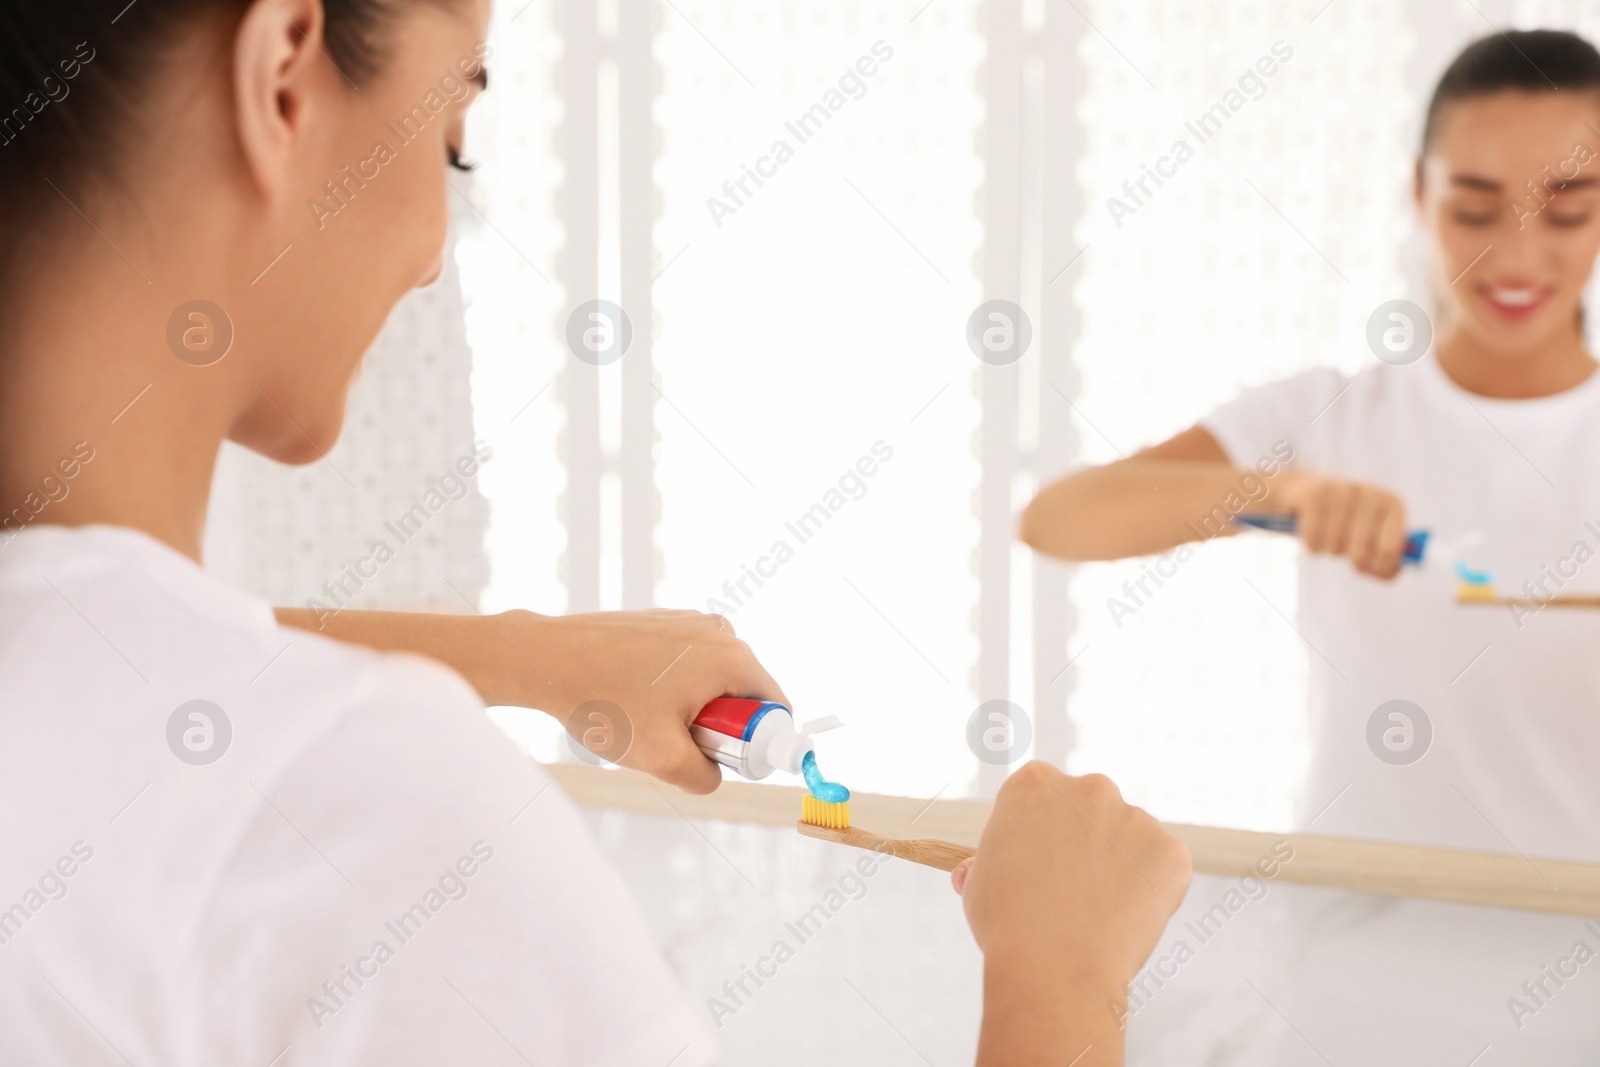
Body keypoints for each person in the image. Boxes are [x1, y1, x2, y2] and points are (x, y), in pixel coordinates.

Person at [0, 1, 1189, 1064]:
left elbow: (136, 670)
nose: (431, 259)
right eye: (453, 137)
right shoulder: (376, 807)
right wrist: (1062, 978)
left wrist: (520, 655)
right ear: (284, 77)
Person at [1023, 27, 1600, 1062]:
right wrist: (1270, 492)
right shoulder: (1330, 415)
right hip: (1345, 985)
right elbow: (1060, 517)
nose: (1516, 254)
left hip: (1574, 990)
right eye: (1474, 207)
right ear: (1416, 196)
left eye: (1566, 211)